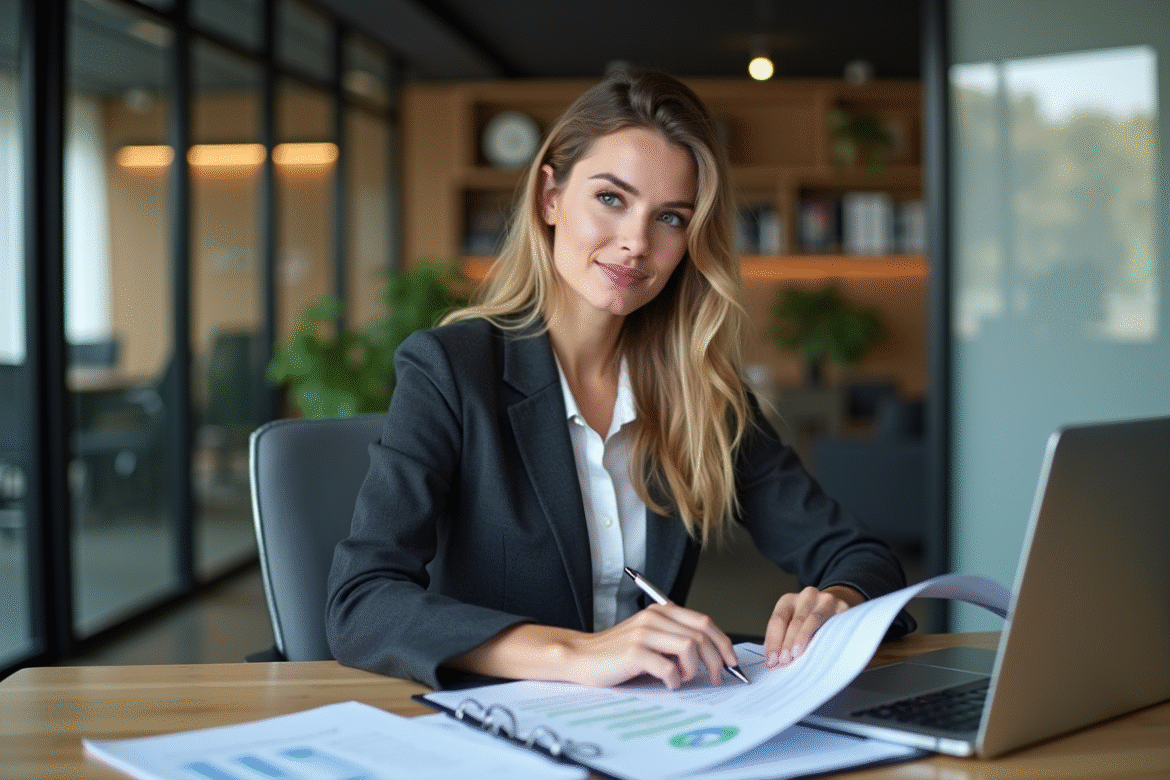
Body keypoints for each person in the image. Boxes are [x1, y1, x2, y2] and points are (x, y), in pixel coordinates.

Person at [326, 67, 914, 691]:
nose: (635, 242)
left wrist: (839, 602)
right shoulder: (451, 369)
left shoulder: (702, 392)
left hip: (649, 726)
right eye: (611, 198)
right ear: (549, 196)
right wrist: (576, 653)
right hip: (504, 724)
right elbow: (362, 604)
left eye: (671, 218)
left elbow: (863, 557)